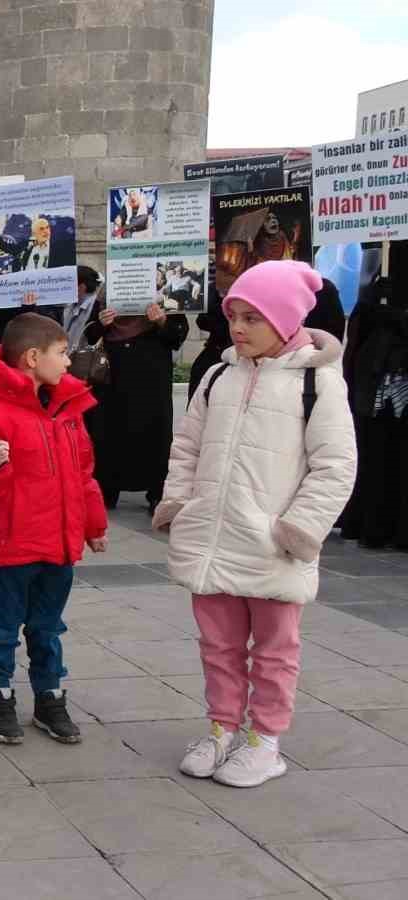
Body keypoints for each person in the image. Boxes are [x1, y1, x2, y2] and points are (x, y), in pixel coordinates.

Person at [154, 261, 356, 787]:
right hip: (213, 542)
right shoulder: (219, 375)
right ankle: (222, 728)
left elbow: (336, 466)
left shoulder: (317, 383)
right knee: (217, 646)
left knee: (274, 651)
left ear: (286, 321)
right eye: (233, 316)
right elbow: (187, 448)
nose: (238, 328)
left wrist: (298, 529)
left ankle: (265, 741)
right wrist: (179, 502)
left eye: (252, 318)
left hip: (272, 547)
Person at [0, 313, 107, 745]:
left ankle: (49, 697)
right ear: (31, 357)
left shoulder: (67, 407)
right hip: (13, 546)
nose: (68, 362)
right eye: (61, 353)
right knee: (1, 628)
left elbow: (84, 472)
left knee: (48, 628)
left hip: (58, 545)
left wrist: (93, 524)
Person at [86, 298, 188, 512]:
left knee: (154, 431)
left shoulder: (165, 299)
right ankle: (107, 490)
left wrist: (161, 321)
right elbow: (90, 335)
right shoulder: (107, 297)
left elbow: (177, 336)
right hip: (112, 374)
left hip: (150, 374)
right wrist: (102, 323)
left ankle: (156, 493)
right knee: (108, 430)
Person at [343, 262, 408, 549]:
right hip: (375, 395)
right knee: (376, 458)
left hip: (392, 391)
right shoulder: (372, 304)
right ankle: (372, 524)